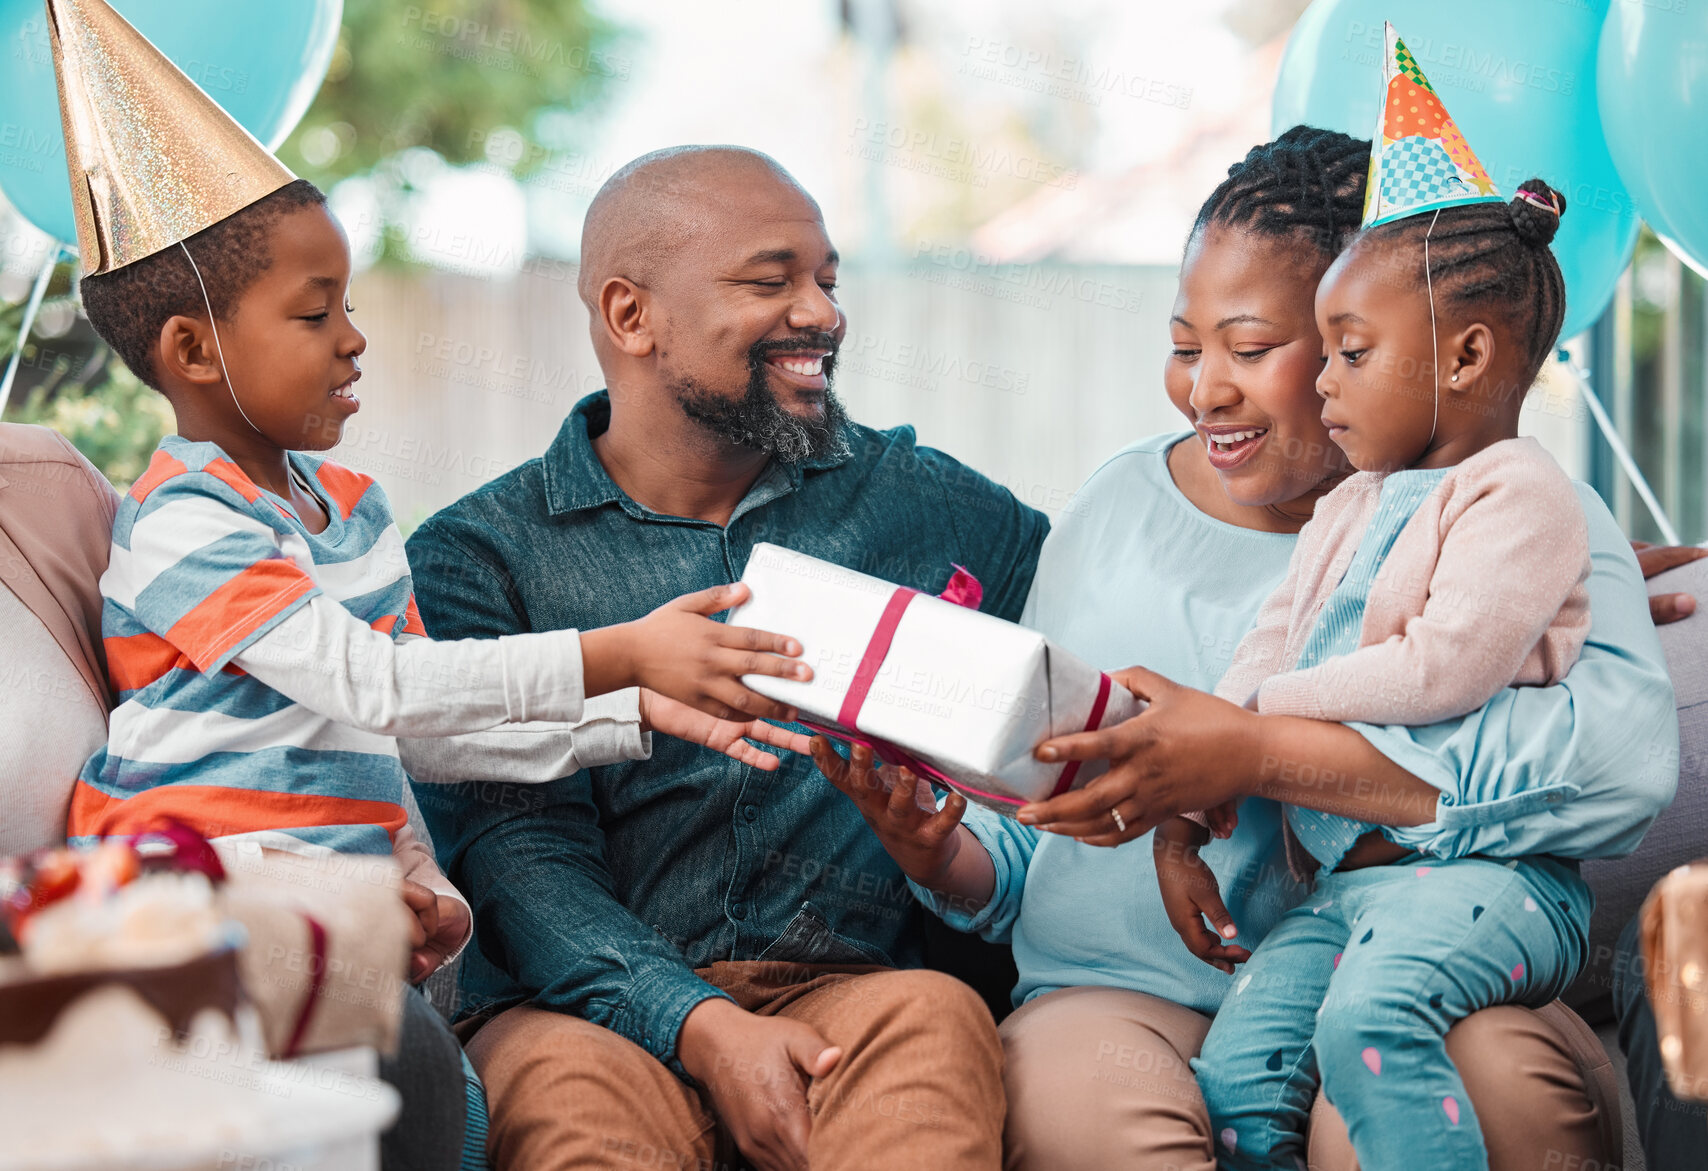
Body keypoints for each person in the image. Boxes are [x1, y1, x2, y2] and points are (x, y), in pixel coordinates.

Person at [812, 125, 1676, 1170]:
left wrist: (1260, 752)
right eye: (1185, 346)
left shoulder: (1523, 510)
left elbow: (1615, 770)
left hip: (1426, 966)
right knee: (1086, 1108)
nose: (1203, 389)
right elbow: (1044, 826)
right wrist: (940, 854)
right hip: (1128, 996)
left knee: (1473, 1084)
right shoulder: (1116, 506)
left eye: (1255, 348)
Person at [405, 146, 1046, 1171]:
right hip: (584, 1010)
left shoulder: (935, 508)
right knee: (560, 1089)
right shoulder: (483, 555)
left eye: (827, 279)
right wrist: (700, 1023)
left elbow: (1090, 644)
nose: (822, 312)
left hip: (854, 997)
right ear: (630, 316)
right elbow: (519, 859)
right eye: (770, 280)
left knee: (934, 1014)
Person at [1165, 169, 1595, 1170]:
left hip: (1488, 877)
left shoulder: (1519, 493)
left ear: (1466, 355)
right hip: (1342, 890)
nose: (1322, 380)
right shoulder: (1349, 505)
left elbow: (1441, 667)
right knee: (1232, 1080)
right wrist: (1199, 780)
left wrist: (1257, 724)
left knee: (1369, 1026)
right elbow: (1263, 651)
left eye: (1351, 352)